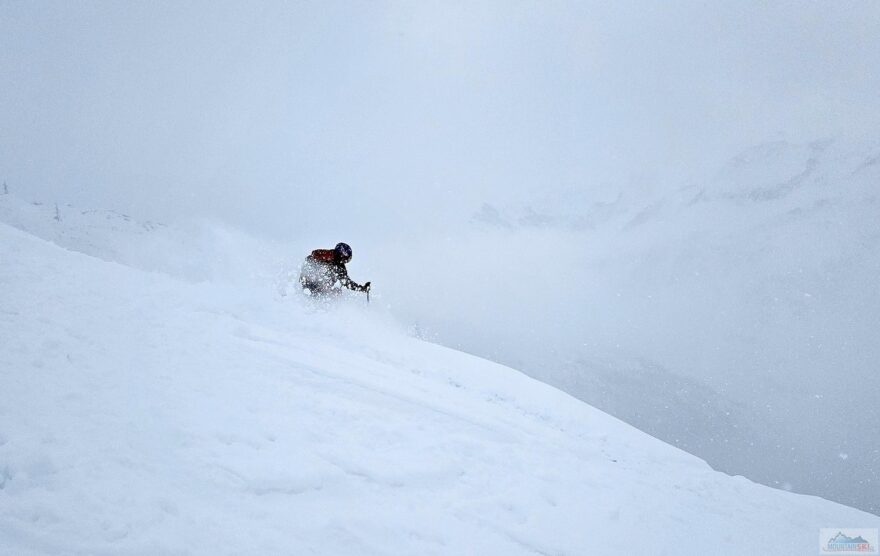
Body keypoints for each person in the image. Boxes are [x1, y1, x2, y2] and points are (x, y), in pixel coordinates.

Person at [299, 242, 371, 298]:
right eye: (345, 259)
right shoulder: (326, 256)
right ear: (341, 255)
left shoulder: (339, 267)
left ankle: (330, 307)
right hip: (311, 284)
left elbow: (347, 282)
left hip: (316, 285)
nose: (345, 261)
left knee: (337, 291)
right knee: (334, 289)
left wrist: (362, 288)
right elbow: (310, 259)